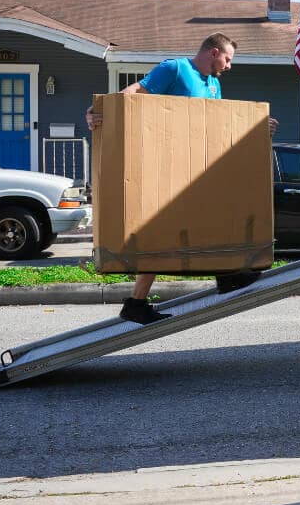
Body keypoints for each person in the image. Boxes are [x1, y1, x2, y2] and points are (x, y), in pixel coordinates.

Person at [85, 32, 277, 324]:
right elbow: (135, 92)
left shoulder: (213, 84)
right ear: (213, 52)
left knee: (214, 215)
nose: (229, 65)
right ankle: (138, 303)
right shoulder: (175, 69)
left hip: (201, 164)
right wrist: (98, 111)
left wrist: (259, 127)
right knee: (157, 234)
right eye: (228, 59)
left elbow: (218, 123)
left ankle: (224, 275)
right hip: (168, 162)